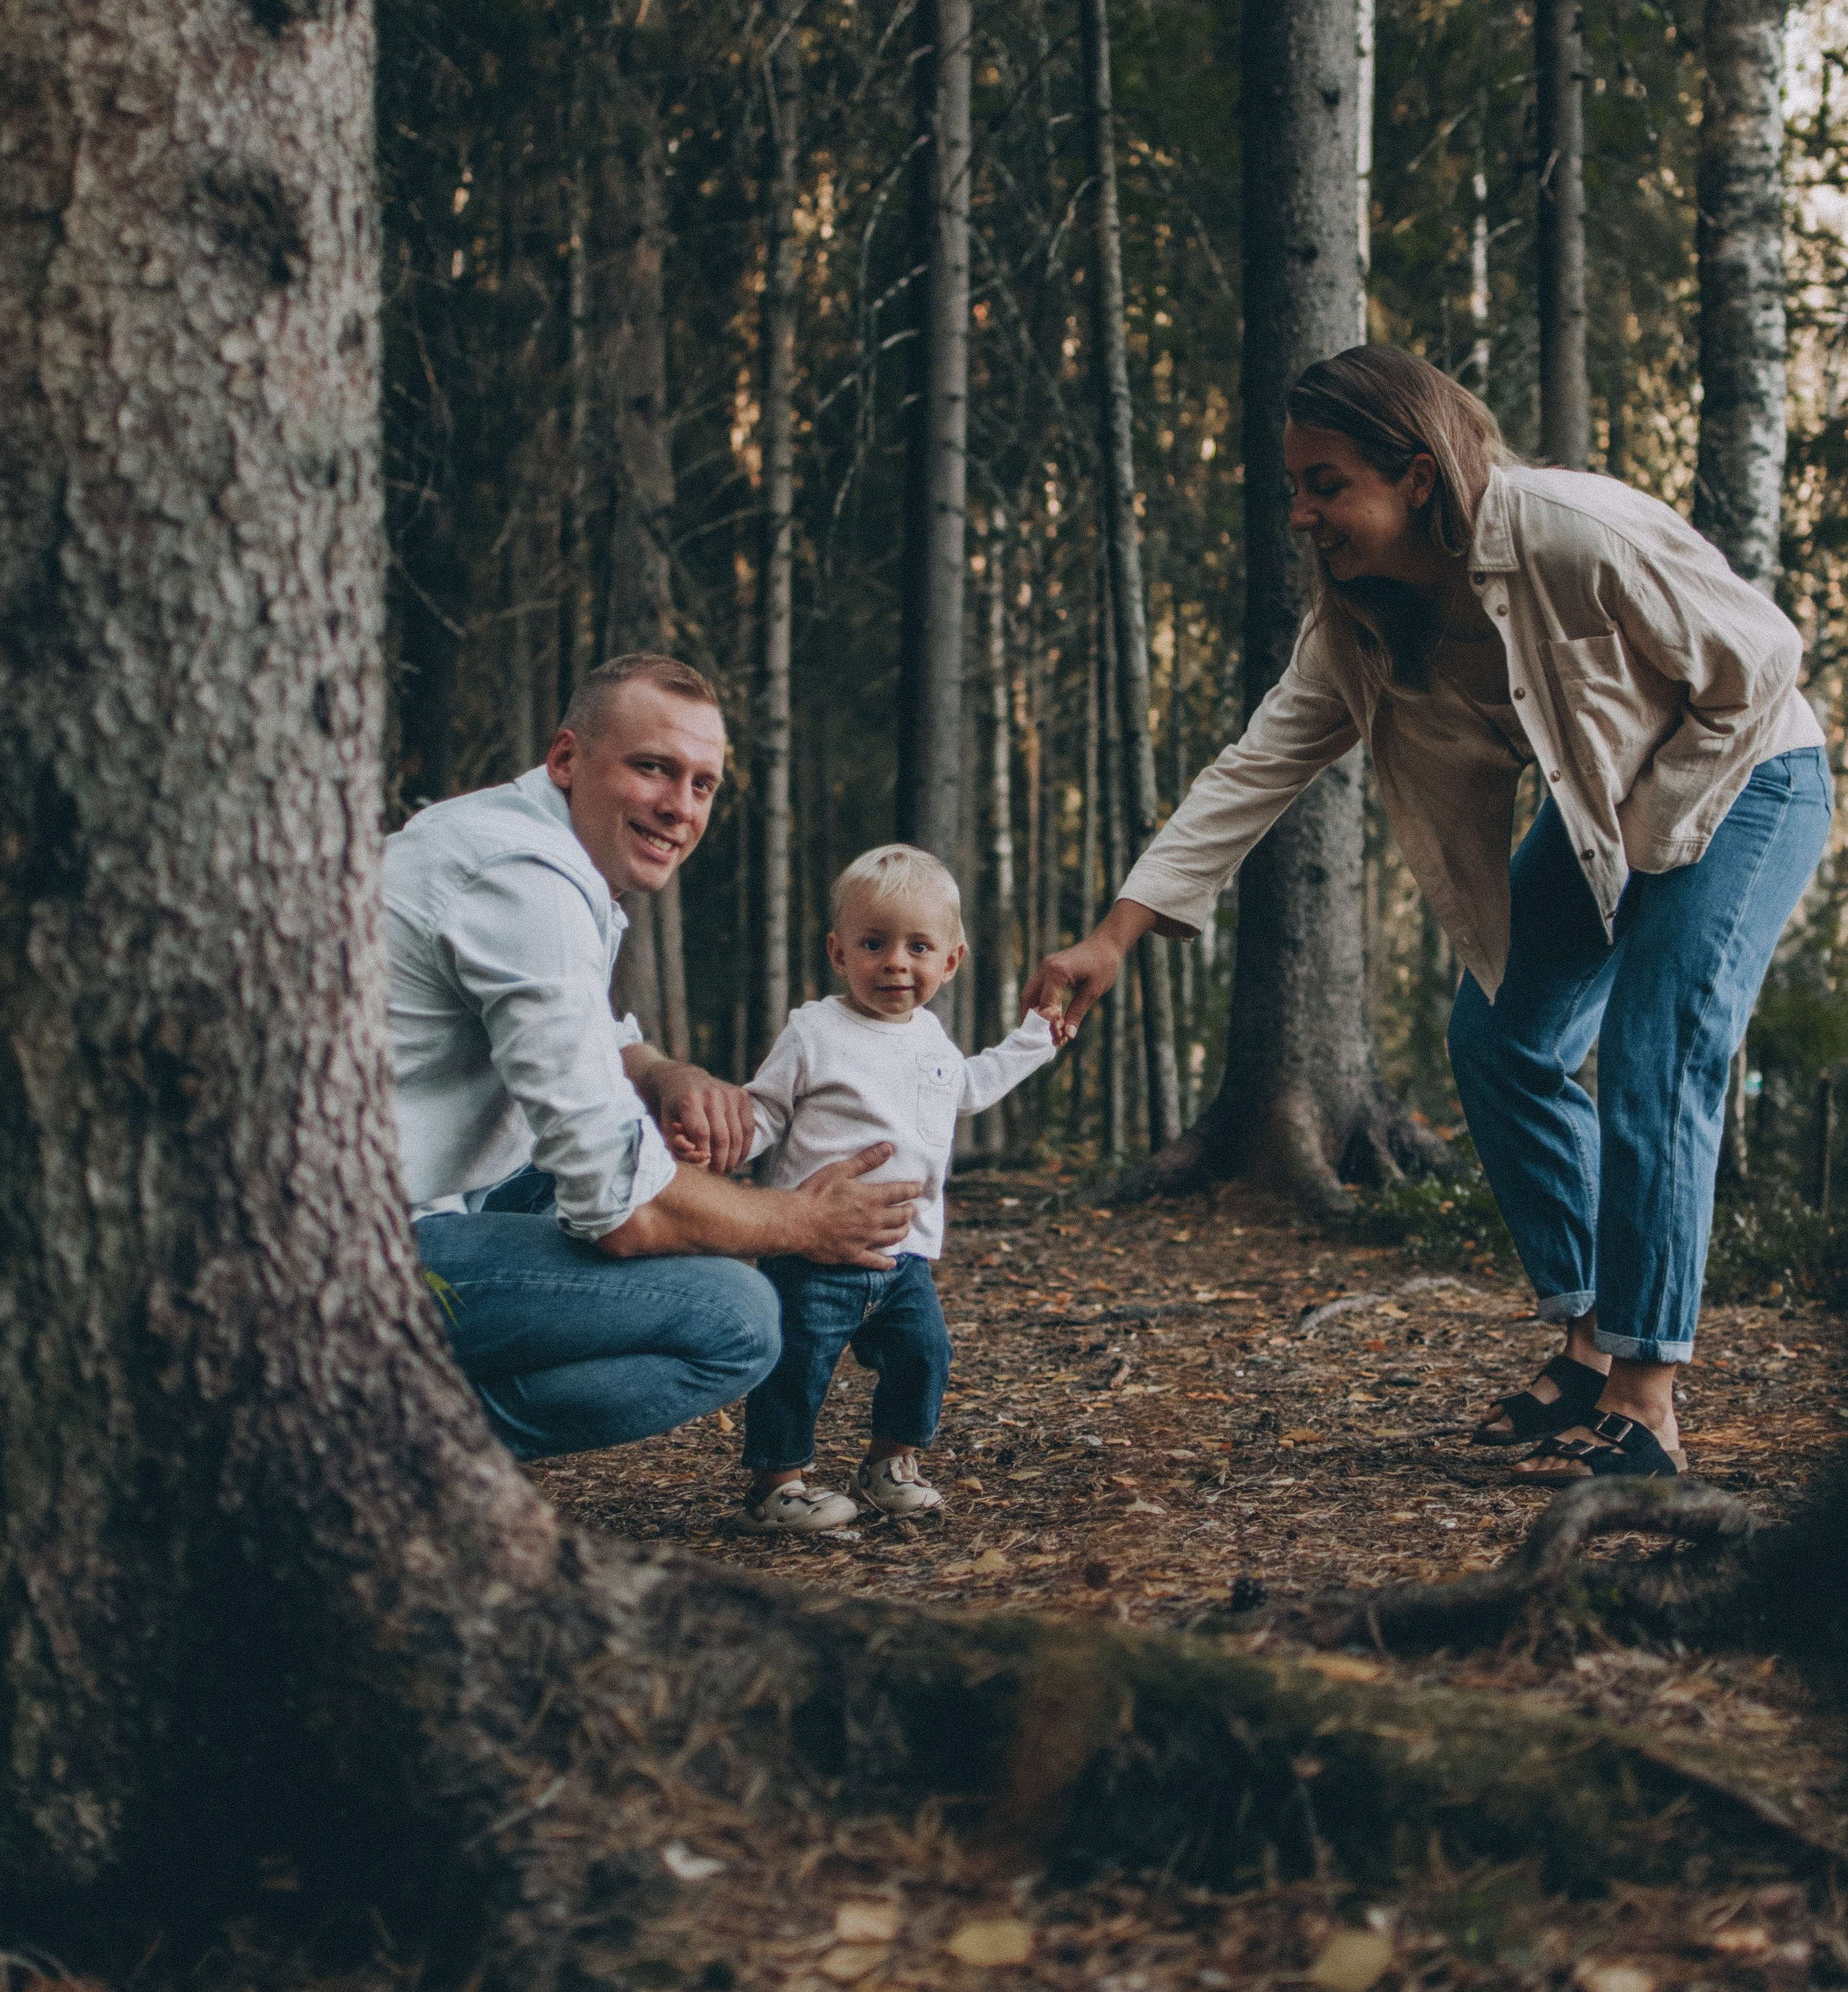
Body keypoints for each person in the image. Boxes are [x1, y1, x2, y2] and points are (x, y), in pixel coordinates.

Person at [1024, 348, 1832, 1483]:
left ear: (1413, 475)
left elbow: (1763, 662)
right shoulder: (1360, 627)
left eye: (1324, 483)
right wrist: (1114, 932)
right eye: (1293, 486)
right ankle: (1593, 1335)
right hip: (1609, 806)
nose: (1301, 513)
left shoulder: (1566, 529)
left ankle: (1646, 1394)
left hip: (1748, 773)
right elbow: (1252, 768)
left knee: (1657, 1046)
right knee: (1502, 1039)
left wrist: (1652, 843)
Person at [387, 654, 920, 1458]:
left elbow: (573, 1025)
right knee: (735, 1318)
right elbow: (620, 1217)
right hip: (353, 1248)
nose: (680, 808)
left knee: (652, 1180)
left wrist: (661, 1073)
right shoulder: (526, 880)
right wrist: (802, 1222)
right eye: (652, 769)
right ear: (565, 760)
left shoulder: (516, 839)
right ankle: (395, 1447)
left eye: (702, 784)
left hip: (411, 1201)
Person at [736, 845, 1059, 1530]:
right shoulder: (814, 1029)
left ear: (951, 961)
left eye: (918, 946)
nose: (895, 963)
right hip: (813, 1251)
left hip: (904, 1256)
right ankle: (778, 1483)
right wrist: (729, 1136)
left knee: (925, 1353)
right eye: (874, 943)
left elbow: (967, 1088)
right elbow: (766, 1108)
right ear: (838, 952)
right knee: (797, 1363)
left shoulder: (932, 1039)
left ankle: (889, 1464)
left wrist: (1037, 1039)